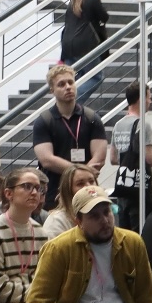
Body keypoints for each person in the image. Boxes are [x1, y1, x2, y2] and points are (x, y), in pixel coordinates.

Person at [30, 63, 107, 208]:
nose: (68, 87)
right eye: (61, 84)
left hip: (87, 193)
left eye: (71, 82)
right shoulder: (44, 121)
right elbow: (47, 160)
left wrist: (81, 178)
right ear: (52, 90)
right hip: (54, 193)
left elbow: (100, 157)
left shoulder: (91, 118)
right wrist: (80, 173)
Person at [0, 167, 47, 303]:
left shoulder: (41, 232)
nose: (34, 193)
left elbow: (45, 277)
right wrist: (36, 293)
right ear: (9, 194)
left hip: (34, 302)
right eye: (27, 186)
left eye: (38, 188)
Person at [108, 81, 152, 229]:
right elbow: (149, 158)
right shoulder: (143, 124)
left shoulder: (118, 124)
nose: (150, 101)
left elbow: (113, 159)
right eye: (148, 97)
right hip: (140, 189)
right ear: (141, 98)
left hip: (124, 188)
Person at [60, 0, 109, 80]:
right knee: (96, 78)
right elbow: (104, 17)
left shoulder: (73, 2)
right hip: (85, 45)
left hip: (68, 45)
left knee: (71, 79)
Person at [42, 164, 95, 241]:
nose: (88, 187)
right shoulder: (56, 221)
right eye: (80, 184)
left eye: (91, 181)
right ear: (68, 190)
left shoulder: (104, 214)